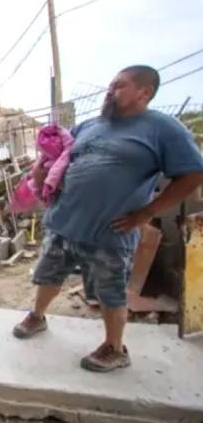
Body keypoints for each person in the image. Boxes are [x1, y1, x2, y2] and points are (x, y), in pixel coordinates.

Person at [12, 65, 203, 372]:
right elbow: (57, 158)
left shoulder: (163, 129)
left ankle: (115, 348)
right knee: (48, 275)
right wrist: (41, 172)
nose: (110, 91)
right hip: (64, 222)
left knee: (110, 291)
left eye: (119, 85)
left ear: (144, 92)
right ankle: (37, 316)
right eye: (110, 85)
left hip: (110, 232)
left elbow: (193, 174)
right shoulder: (89, 126)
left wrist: (147, 212)